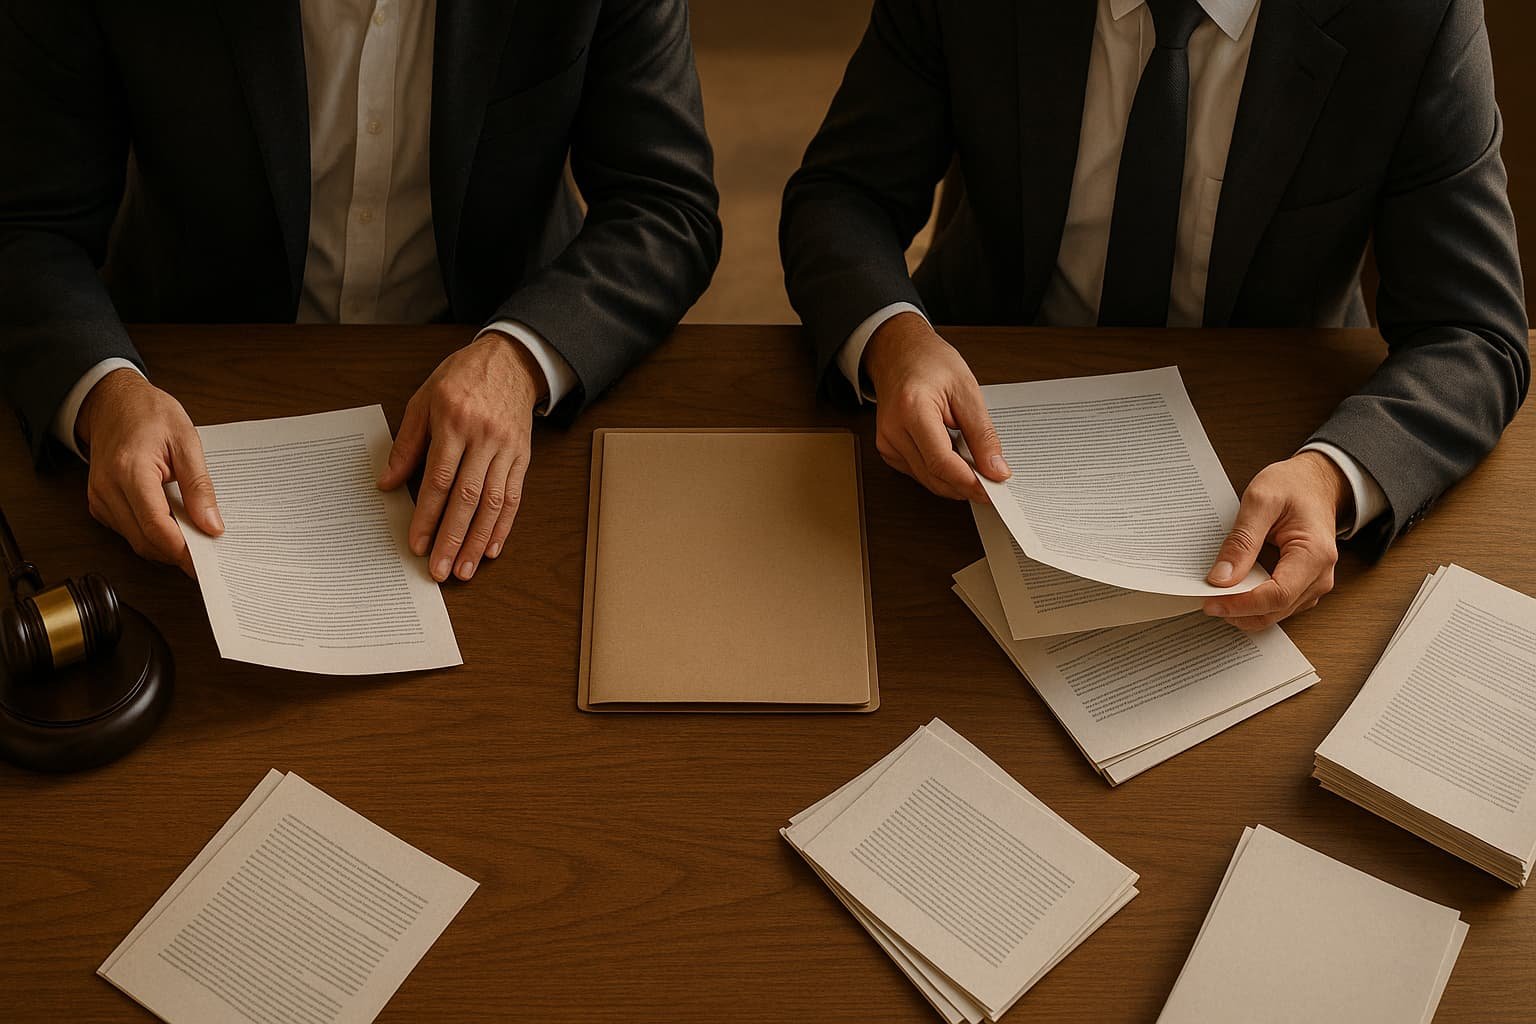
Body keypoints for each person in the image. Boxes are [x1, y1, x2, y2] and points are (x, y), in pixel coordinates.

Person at [781, 0, 1528, 630]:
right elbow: (844, 194)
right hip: (970, 419)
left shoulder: (1414, 16)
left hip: (1266, 442)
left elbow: (1472, 331)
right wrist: (894, 339)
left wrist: (1335, 474)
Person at [0, 0, 721, 584]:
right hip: (187, 385)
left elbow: (665, 204)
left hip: (500, 389)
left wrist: (523, 357)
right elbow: (25, 224)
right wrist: (102, 393)